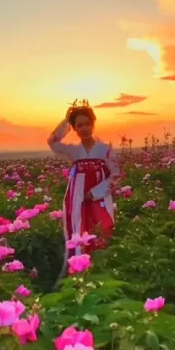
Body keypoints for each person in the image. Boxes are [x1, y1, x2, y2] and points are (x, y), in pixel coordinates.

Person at [47, 99, 121, 261]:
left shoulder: (104, 149)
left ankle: (102, 263)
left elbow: (115, 175)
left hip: (99, 197)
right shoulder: (73, 150)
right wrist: (66, 119)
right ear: (74, 129)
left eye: (87, 124)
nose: (84, 128)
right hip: (77, 198)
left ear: (93, 124)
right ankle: (81, 265)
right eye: (79, 125)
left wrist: (95, 193)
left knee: (104, 227)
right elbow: (52, 142)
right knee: (79, 229)